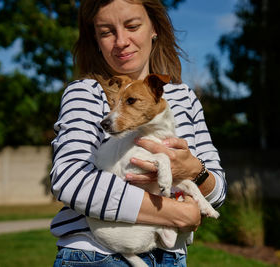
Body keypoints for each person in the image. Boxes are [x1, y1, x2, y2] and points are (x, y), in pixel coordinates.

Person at [50, 0, 227, 266]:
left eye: (132, 25)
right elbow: (70, 180)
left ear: (154, 28)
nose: (121, 41)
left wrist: (194, 170)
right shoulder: (85, 92)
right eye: (106, 32)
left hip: (171, 256)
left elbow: (219, 192)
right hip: (97, 254)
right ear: (96, 40)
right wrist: (175, 214)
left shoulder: (185, 97)